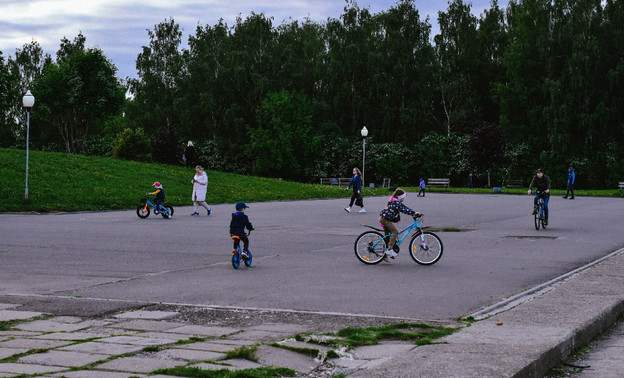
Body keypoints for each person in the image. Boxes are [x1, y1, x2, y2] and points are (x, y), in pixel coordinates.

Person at [379, 188, 421, 259]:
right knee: (395, 232)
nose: (404, 199)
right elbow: (404, 210)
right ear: (399, 197)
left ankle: (384, 253)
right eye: (403, 197)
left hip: (384, 219)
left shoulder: (395, 201)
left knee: (387, 237)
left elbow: (404, 207)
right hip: (385, 220)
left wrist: (413, 212)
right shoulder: (396, 203)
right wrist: (413, 213)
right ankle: (389, 250)